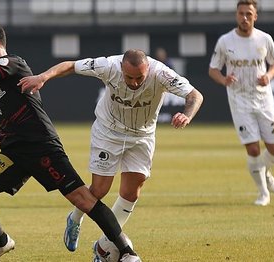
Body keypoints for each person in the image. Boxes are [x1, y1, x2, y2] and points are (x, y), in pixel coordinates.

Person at [0, 21, 141, 262]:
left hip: (41, 146)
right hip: (13, 153)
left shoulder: (11, 63)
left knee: (83, 199)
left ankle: (126, 252)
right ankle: (1, 242)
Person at [18, 49, 204, 260]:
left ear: (148, 69)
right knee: (99, 190)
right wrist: (43, 77)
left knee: (131, 193)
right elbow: (70, 65)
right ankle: (75, 218)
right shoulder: (108, 66)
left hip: (142, 136)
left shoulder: (161, 73)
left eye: (139, 78)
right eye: (129, 77)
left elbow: (195, 95)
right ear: (121, 68)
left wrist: (187, 115)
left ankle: (104, 246)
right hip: (108, 132)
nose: (134, 83)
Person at [209, 0, 274, 206]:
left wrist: (268, 75)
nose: (244, 18)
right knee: (252, 149)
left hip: (263, 99)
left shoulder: (264, 39)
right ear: (236, 15)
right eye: (241, 13)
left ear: (255, 16)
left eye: (249, 14)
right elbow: (213, 69)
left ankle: (265, 170)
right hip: (239, 100)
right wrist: (224, 80)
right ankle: (262, 193)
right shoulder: (225, 41)